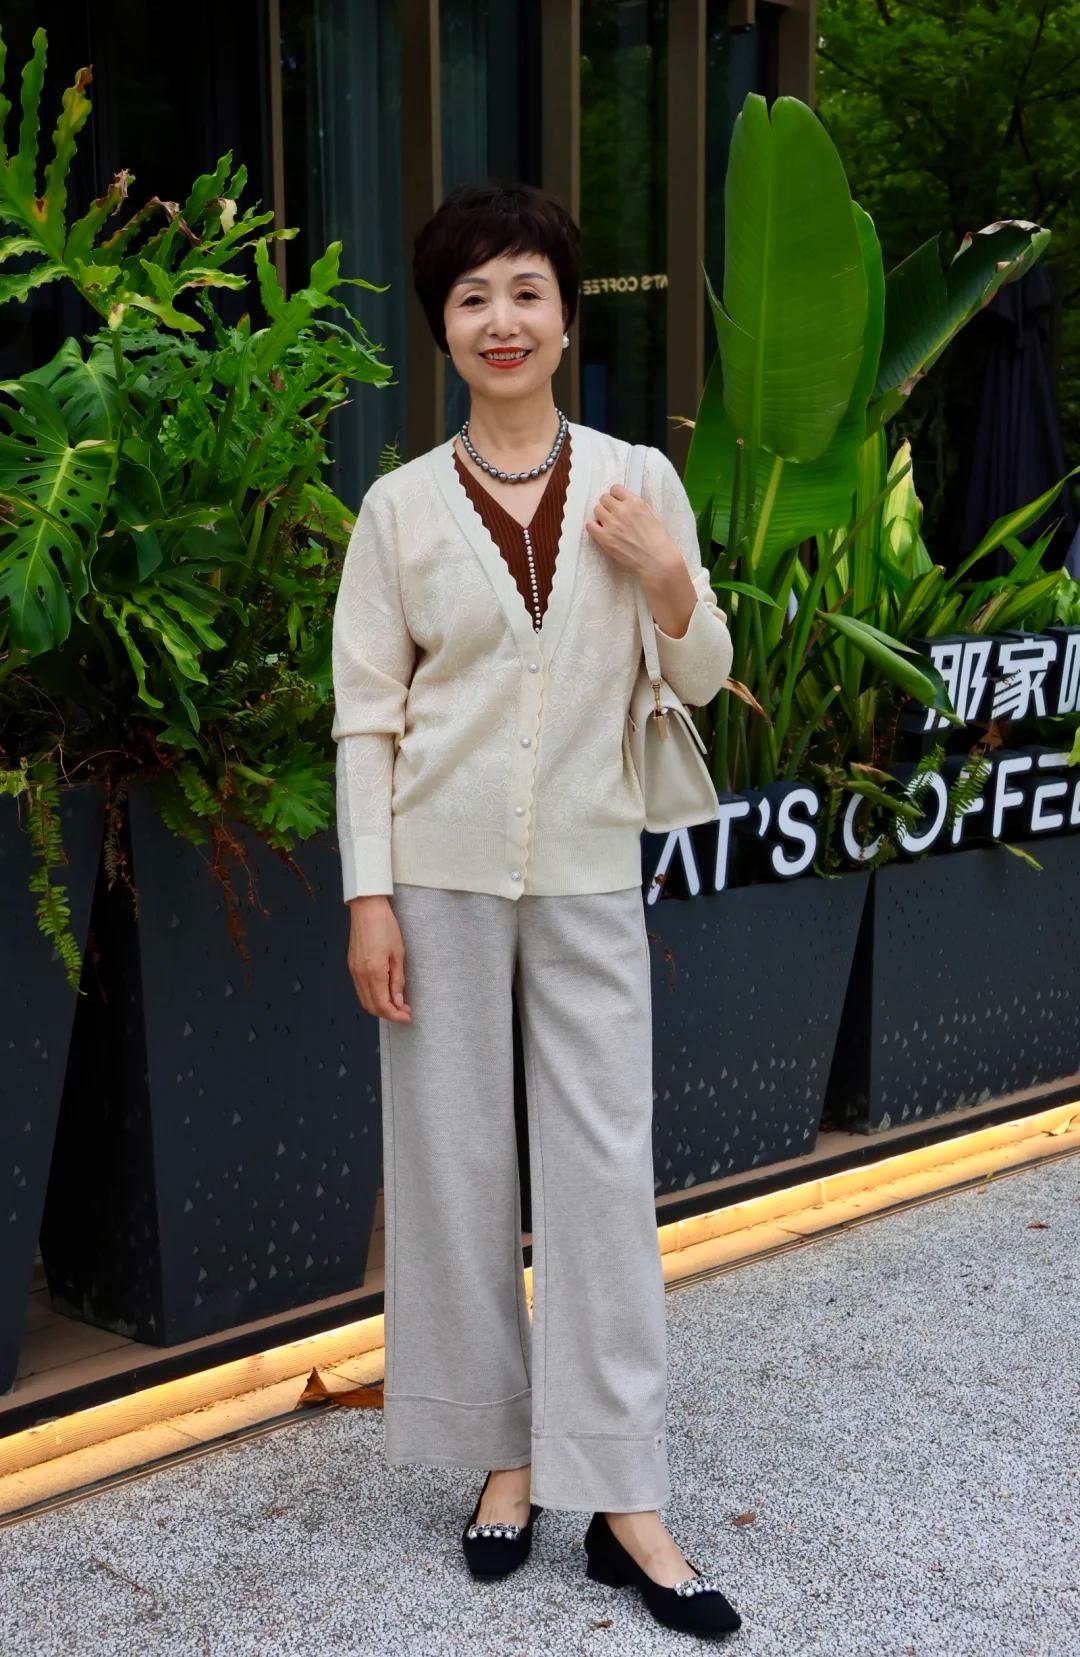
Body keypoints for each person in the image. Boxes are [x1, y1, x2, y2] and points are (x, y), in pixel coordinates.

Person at [330, 181, 739, 1639]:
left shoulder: (638, 481)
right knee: (452, 1170)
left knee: (603, 1177)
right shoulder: (397, 508)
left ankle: (623, 1494)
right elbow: (366, 719)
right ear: (443, 330)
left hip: (587, 869)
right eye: (471, 298)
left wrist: (668, 579)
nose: (500, 321)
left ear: (568, 317)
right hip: (433, 876)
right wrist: (367, 895)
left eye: (525, 292)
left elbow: (703, 674)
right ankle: (503, 1459)